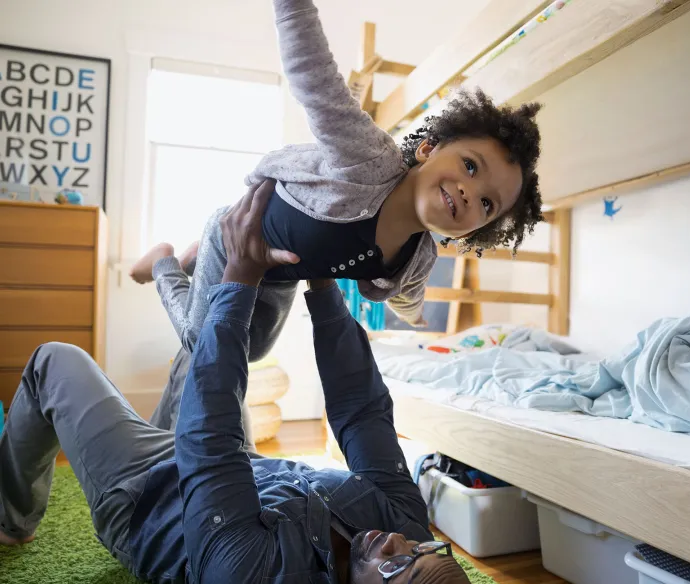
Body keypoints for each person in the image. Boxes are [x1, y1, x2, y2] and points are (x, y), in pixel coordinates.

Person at [0, 179, 478, 584]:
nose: (395, 543)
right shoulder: (406, 530)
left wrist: (240, 276)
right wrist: (323, 282)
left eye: (395, 570)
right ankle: (169, 264)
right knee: (206, 343)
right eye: (423, 551)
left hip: (144, 490)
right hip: (238, 463)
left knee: (55, 360)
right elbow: (362, 412)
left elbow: (208, 443)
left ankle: (10, 520)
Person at [129, 0, 544, 364]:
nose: (471, 194)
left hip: (280, 274)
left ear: (476, 230)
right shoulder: (367, 159)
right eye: (470, 166)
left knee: (253, 350)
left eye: (487, 205)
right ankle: (166, 261)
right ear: (428, 149)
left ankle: (192, 258)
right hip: (236, 236)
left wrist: (413, 315)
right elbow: (314, 77)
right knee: (206, 344)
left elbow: (406, 296)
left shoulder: (418, 258)